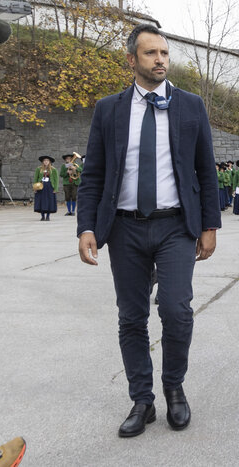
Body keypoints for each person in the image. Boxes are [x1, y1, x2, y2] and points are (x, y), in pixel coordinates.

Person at [76, 24, 219, 438]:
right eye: (151, 53)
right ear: (131, 59)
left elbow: (205, 171)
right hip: (124, 229)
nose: (160, 60)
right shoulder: (109, 109)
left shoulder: (190, 105)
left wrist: (209, 225)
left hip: (176, 226)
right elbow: (94, 174)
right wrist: (87, 226)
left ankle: (174, 388)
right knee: (131, 317)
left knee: (177, 311)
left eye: (164, 53)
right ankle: (142, 399)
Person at [33, 155, 58, 221]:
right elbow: (35, 178)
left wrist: (55, 189)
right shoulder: (39, 169)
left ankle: (48, 216)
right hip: (41, 186)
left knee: (49, 201)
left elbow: (56, 180)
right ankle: (42, 216)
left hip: (49, 186)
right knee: (41, 201)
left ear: (49, 162)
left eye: (47, 160)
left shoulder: (53, 170)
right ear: (42, 162)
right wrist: (35, 187)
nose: (46, 162)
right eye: (44, 161)